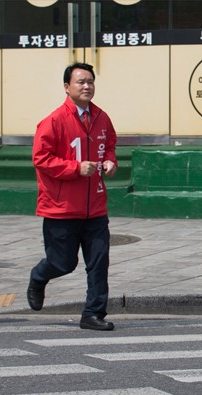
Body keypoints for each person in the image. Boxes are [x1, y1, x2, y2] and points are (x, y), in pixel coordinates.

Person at [27, 62, 118, 331]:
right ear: (67, 87)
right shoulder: (53, 121)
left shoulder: (102, 117)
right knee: (62, 263)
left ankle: (93, 314)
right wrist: (75, 168)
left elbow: (109, 146)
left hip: (95, 208)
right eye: (81, 82)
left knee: (99, 263)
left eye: (90, 81)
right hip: (62, 208)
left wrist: (110, 162)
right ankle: (39, 277)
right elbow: (41, 158)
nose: (87, 86)